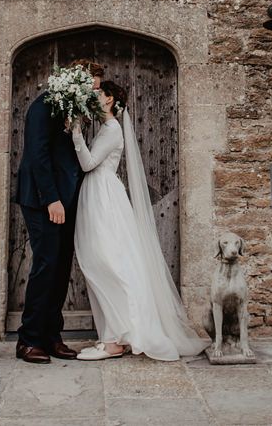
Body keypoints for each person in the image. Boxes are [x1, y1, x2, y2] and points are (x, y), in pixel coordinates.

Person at [71, 81, 209, 361]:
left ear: (109, 99)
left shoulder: (111, 130)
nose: (94, 97)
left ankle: (116, 340)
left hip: (104, 197)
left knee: (108, 263)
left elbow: (88, 163)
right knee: (99, 263)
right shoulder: (106, 128)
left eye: (98, 93)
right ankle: (112, 336)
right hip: (97, 193)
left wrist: (75, 133)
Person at [15, 59, 105, 363]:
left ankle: (52, 336)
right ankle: (28, 340)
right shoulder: (43, 107)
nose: (95, 95)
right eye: (93, 88)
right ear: (77, 82)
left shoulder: (71, 110)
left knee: (61, 268)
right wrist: (51, 199)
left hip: (66, 202)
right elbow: (37, 155)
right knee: (45, 266)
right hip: (44, 201)